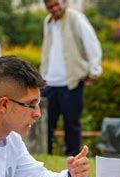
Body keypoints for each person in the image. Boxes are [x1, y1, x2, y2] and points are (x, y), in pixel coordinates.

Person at [41, 0, 102, 156]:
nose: (55, 8)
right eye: (51, 6)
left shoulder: (76, 18)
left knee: (72, 124)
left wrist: (94, 70)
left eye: (57, 4)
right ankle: (44, 155)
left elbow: (91, 43)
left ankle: (73, 158)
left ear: (64, 3)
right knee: (46, 124)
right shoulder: (47, 22)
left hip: (72, 81)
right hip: (49, 82)